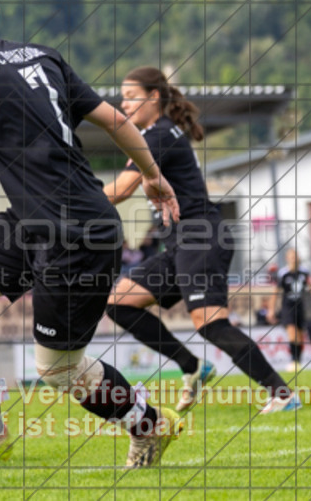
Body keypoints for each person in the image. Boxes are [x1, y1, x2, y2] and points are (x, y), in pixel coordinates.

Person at [0, 0, 184, 469]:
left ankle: (149, 423)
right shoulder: (42, 55)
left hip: (76, 236)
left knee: (59, 370)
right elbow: (114, 119)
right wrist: (152, 174)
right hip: (38, 221)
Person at [101, 66, 300, 414]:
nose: (124, 103)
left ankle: (282, 394)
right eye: (122, 97)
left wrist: (67, 205)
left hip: (200, 237)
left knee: (210, 324)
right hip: (181, 242)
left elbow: (120, 190)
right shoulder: (153, 134)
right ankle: (193, 366)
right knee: (119, 301)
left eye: (131, 97)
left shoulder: (158, 136)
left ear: (154, 97)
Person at [268, 249, 311, 372]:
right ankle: (293, 361)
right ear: (287, 259)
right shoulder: (283, 274)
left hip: (300, 307)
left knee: (299, 337)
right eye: (291, 257)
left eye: (295, 256)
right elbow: (275, 293)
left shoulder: (304, 273)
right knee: (292, 333)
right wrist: (271, 310)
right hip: (287, 308)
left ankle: (297, 362)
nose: (293, 259)